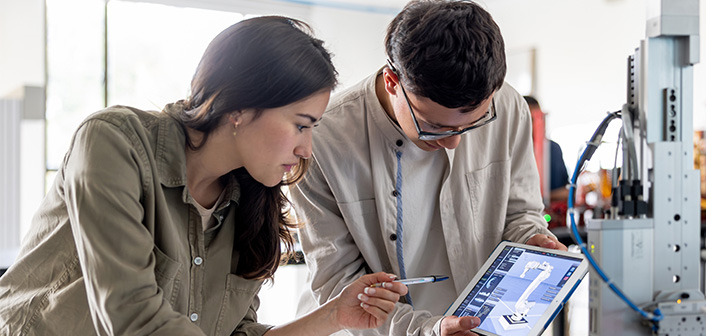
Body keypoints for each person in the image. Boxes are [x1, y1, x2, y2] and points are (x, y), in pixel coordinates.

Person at [0, 16, 407, 335]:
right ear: (239, 107)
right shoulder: (114, 143)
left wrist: (335, 315)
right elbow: (132, 318)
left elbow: (237, 333)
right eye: (301, 125)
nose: (306, 149)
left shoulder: (247, 196)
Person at [289, 1, 567, 335]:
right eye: (434, 127)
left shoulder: (508, 106)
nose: (453, 144)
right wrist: (428, 330)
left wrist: (532, 240)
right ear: (393, 82)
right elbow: (339, 287)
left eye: (474, 124)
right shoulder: (321, 142)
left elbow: (521, 213)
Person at [524, 96, 570, 203]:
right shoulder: (512, 151)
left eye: (540, 118)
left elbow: (566, 191)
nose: (538, 124)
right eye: (532, 120)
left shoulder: (554, 149)